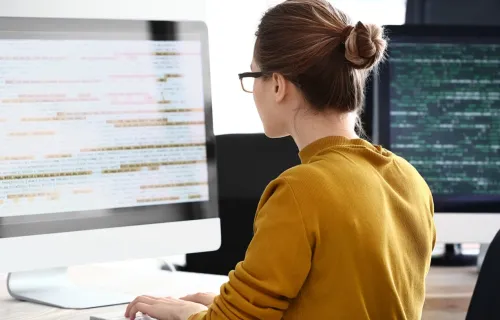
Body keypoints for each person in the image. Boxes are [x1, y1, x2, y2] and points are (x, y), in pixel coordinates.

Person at [125, 0, 436, 319]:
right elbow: (344, 298)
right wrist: (229, 301)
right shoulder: (409, 178)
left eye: (253, 75)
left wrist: (187, 314)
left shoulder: (301, 191)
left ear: (277, 84)